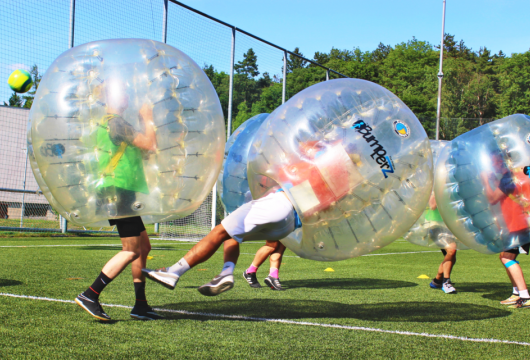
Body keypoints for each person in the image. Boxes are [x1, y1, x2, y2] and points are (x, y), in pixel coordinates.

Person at [142, 140, 357, 295]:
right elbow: (324, 211)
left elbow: (298, 149)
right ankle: (226, 272)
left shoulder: (320, 159)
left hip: (279, 204)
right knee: (232, 235)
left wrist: (323, 142)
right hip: (289, 224)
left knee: (219, 231)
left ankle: (173, 272)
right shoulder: (342, 185)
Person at [74, 78, 163, 320]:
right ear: (110, 98)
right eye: (122, 93)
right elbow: (151, 144)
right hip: (118, 189)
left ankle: (140, 304)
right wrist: (148, 117)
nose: (127, 97)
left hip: (118, 188)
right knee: (131, 250)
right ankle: (90, 294)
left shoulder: (109, 124)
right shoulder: (116, 123)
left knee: (143, 246)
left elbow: (141, 151)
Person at [480, 151, 530, 309]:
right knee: (505, 255)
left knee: (507, 258)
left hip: (520, 225)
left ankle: (524, 296)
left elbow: (493, 198)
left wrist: (485, 181)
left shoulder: (510, 178)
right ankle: (517, 293)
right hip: (523, 222)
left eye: (497, 162)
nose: (495, 166)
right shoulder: (523, 174)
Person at [427, 194, 458, 294]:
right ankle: (446, 282)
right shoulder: (436, 189)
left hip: (450, 226)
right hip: (435, 226)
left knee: (451, 257)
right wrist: (438, 191)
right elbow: (432, 206)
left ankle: (437, 281)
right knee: (451, 250)